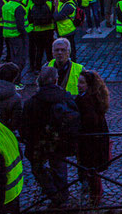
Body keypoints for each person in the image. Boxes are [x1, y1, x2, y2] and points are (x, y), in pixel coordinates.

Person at [21, 67, 79, 206]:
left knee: (38, 168)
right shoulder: (65, 97)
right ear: (56, 80)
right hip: (60, 141)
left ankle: (53, 194)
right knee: (60, 168)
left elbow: (24, 126)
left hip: (38, 143)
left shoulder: (32, 102)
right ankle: (63, 196)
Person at [76, 69, 110, 206]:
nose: (78, 85)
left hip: (90, 141)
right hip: (97, 139)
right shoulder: (96, 98)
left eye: (82, 83)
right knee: (93, 171)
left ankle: (95, 198)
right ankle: (96, 195)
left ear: (89, 85)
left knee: (91, 170)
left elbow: (89, 122)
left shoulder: (85, 102)